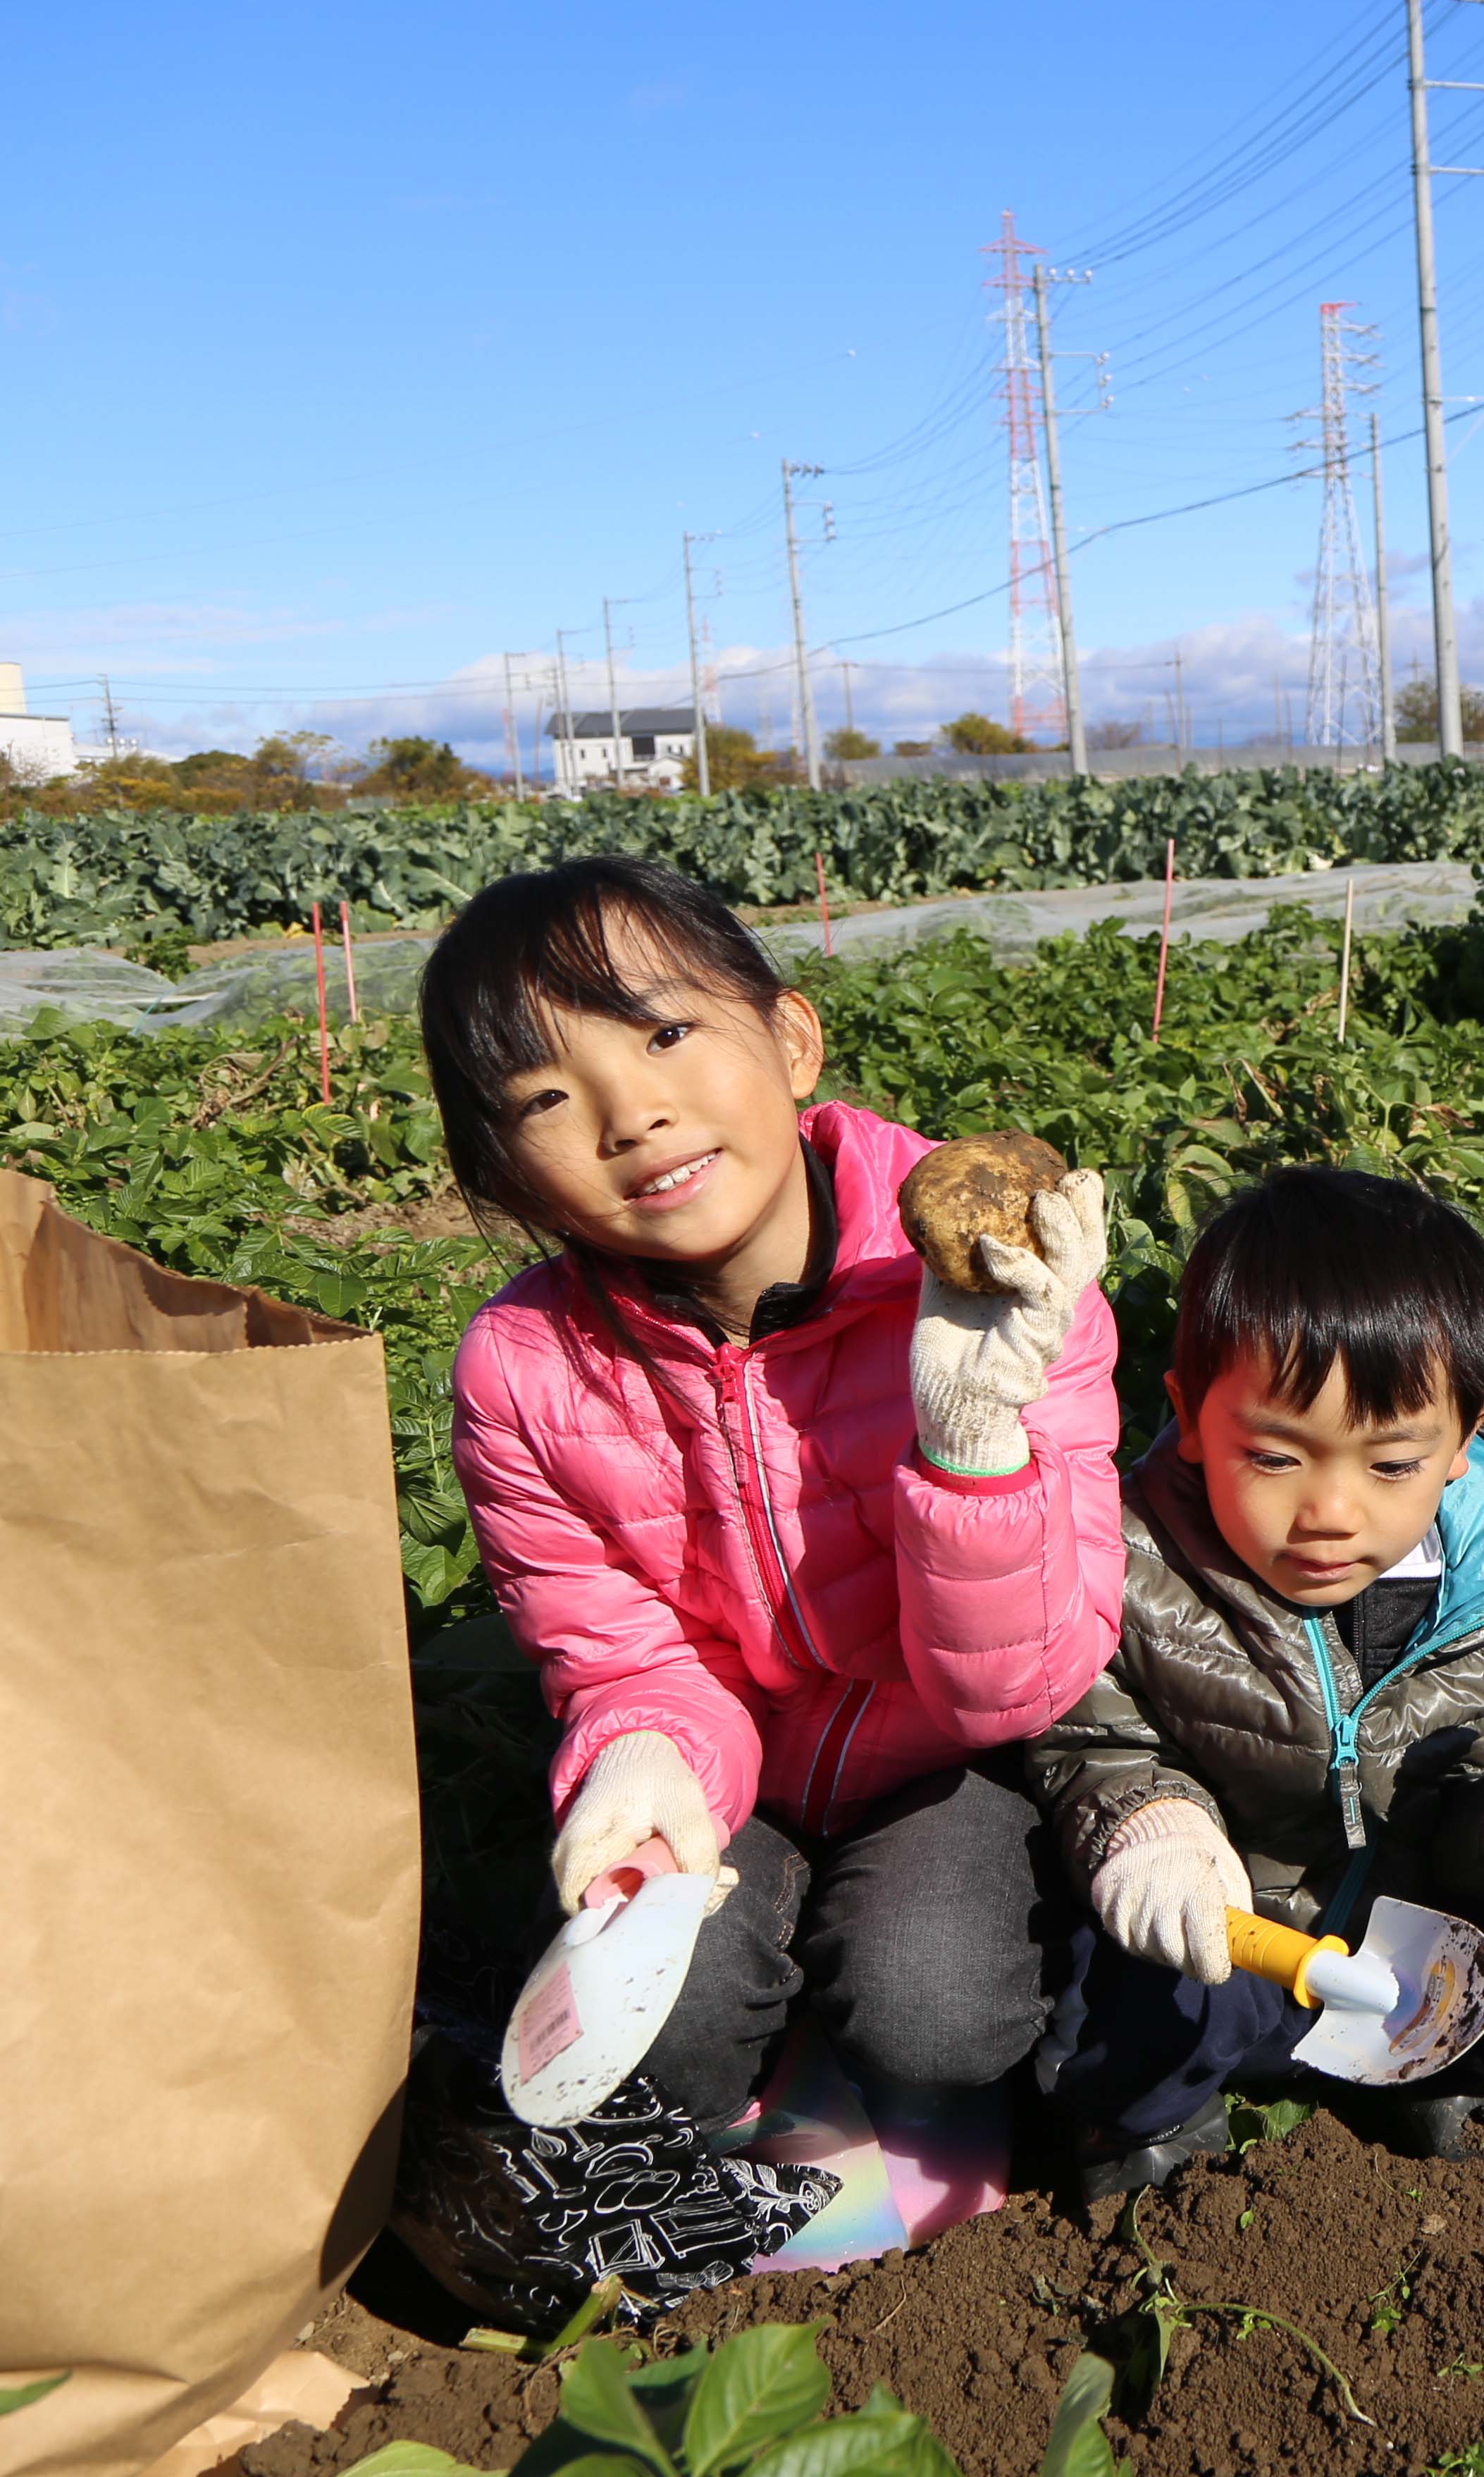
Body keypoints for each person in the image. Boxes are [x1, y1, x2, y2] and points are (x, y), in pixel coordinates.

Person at [423, 855, 1123, 2130]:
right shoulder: (521, 1372)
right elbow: (621, 1650)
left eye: (668, 1033)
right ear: (503, 1175)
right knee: (657, 2047)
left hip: (944, 1756)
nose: (630, 1114)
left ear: (793, 1038)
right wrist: (643, 1754)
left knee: (935, 2008)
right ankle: (749, 2049)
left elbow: (1016, 1687)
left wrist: (971, 1441)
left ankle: (1041, 1993)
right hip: (720, 1764)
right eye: (544, 1096)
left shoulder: (1001, 1288)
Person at [1028, 1169, 1484, 2187]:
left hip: (1419, 1944)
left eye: (1390, 1466)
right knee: (1145, 1988)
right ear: (1193, 1419)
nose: (1331, 1511)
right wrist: (1148, 1821)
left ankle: (1435, 2074)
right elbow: (1090, 1733)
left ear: (1465, 1439)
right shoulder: (1127, 1558)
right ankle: (1146, 2123)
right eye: (1275, 1456)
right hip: (1241, 1938)